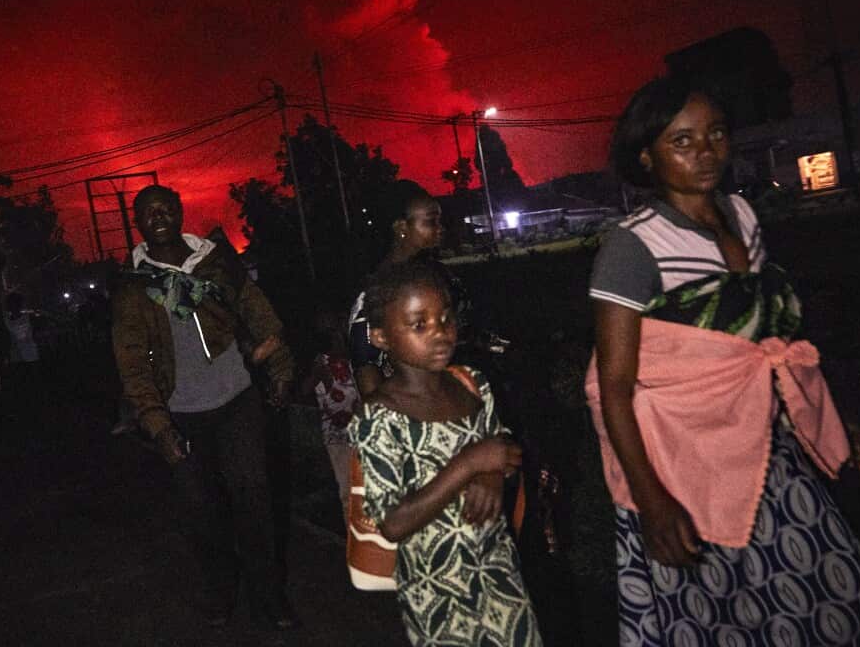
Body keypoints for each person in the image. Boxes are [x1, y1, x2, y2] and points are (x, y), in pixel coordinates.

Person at [586, 75, 860, 645]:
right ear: (647, 156)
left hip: (765, 449)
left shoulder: (742, 216)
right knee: (719, 616)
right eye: (682, 140)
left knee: (826, 593)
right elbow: (613, 386)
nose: (706, 151)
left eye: (715, 134)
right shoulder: (633, 246)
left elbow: (765, 343)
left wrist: (827, 416)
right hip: (681, 468)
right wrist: (651, 499)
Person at [110, 185, 298, 630]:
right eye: (147, 212)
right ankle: (221, 587)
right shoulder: (133, 287)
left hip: (236, 401)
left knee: (254, 501)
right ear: (137, 223)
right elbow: (132, 362)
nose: (158, 216)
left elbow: (259, 314)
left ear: (179, 212)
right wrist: (158, 426)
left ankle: (269, 597)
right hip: (181, 413)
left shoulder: (215, 261)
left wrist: (282, 369)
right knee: (201, 514)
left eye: (165, 208)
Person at [349, 260, 543, 647]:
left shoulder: (473, 385)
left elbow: (504, 449)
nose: (440, 333)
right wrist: (470, 464)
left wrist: (490, 474)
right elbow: (393, 522)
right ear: (382, 337)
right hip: (437, 592)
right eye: (419, 324)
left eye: (445, 320)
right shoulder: (378, 417)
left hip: (499, 572)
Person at [348, 180, 445, 398]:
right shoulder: (378, 291)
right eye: (431, 222)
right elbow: (365, 366)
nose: (440, 229)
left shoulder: (432, 277)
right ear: (402, 228)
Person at [299, 308, 361, 521]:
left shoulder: (356, 357)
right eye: (327, 332)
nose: (333, 335)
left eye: (334, 329)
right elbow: (305, 390)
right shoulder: (322, 362)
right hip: (337, 435)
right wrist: (318, 374)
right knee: (347, 492)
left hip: (362, 431)